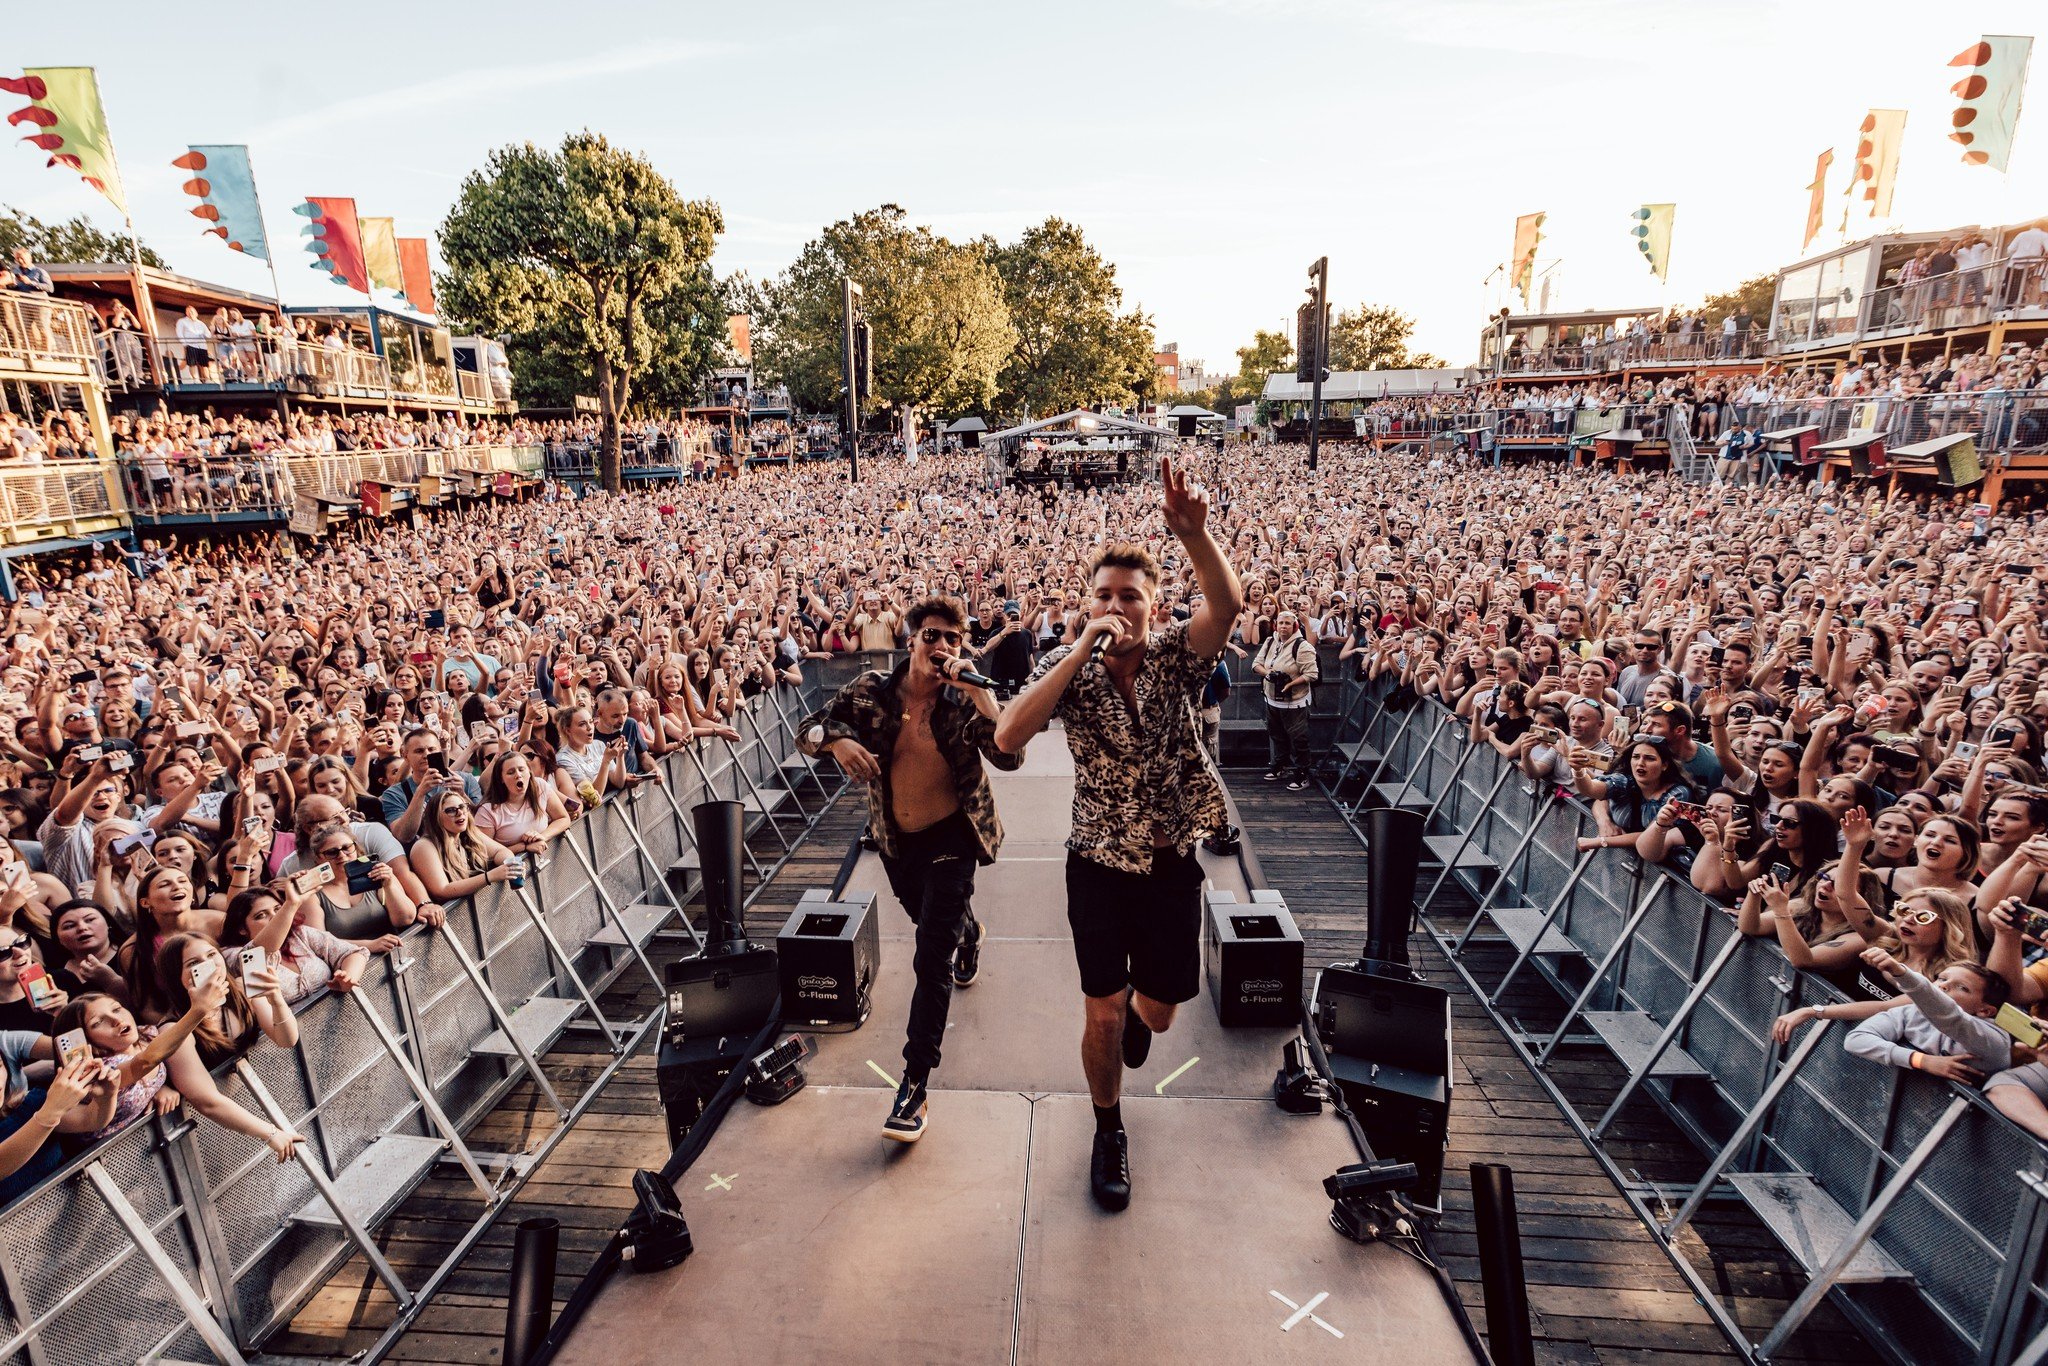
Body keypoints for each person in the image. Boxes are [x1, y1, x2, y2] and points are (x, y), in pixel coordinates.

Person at [995, 456, 1244, 1212]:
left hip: (1170, 859)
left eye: (1129, 595)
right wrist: (1076, 653)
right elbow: (1007, 736)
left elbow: (1227, 607)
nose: (1116, 604)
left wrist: (1195, 535)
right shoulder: (1067, 668)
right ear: (1088, 602)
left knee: (1160, 1013)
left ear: (1153, 606)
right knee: (1099, 1011)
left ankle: (1142, 1012)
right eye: (1103, 594)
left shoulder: (1175, 656)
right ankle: (1109, 1130)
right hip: (1097, 862)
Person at [797, 596, 1020, 1142]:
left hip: (954, 838)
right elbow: (808, 730)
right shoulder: (871, 690)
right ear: (911, 638)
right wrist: (838, 740)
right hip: (898, 843)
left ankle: (914, 1085)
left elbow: (1010, 756)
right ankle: (970, 932)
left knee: (930, 957)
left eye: (952, 638)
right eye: (931, 636)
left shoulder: (966, 700)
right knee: (934, 926)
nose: (941, 647)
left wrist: (979, 695)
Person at [1252, 610, 1318, 789]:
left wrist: (1291, 684)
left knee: (1298, 739)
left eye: (1287, 623)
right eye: (1280, 623)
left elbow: (1312, 674)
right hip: (1272, 699)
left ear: (1295, 625)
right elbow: (1256, 664)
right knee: (1277, 735)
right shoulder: (1270, 641)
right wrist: (1269, 674)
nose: (1283, 626)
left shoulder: (1303, 646)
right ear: (1275, 625)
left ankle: (1302, 774)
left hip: (1295, 701)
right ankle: (1280, 767)